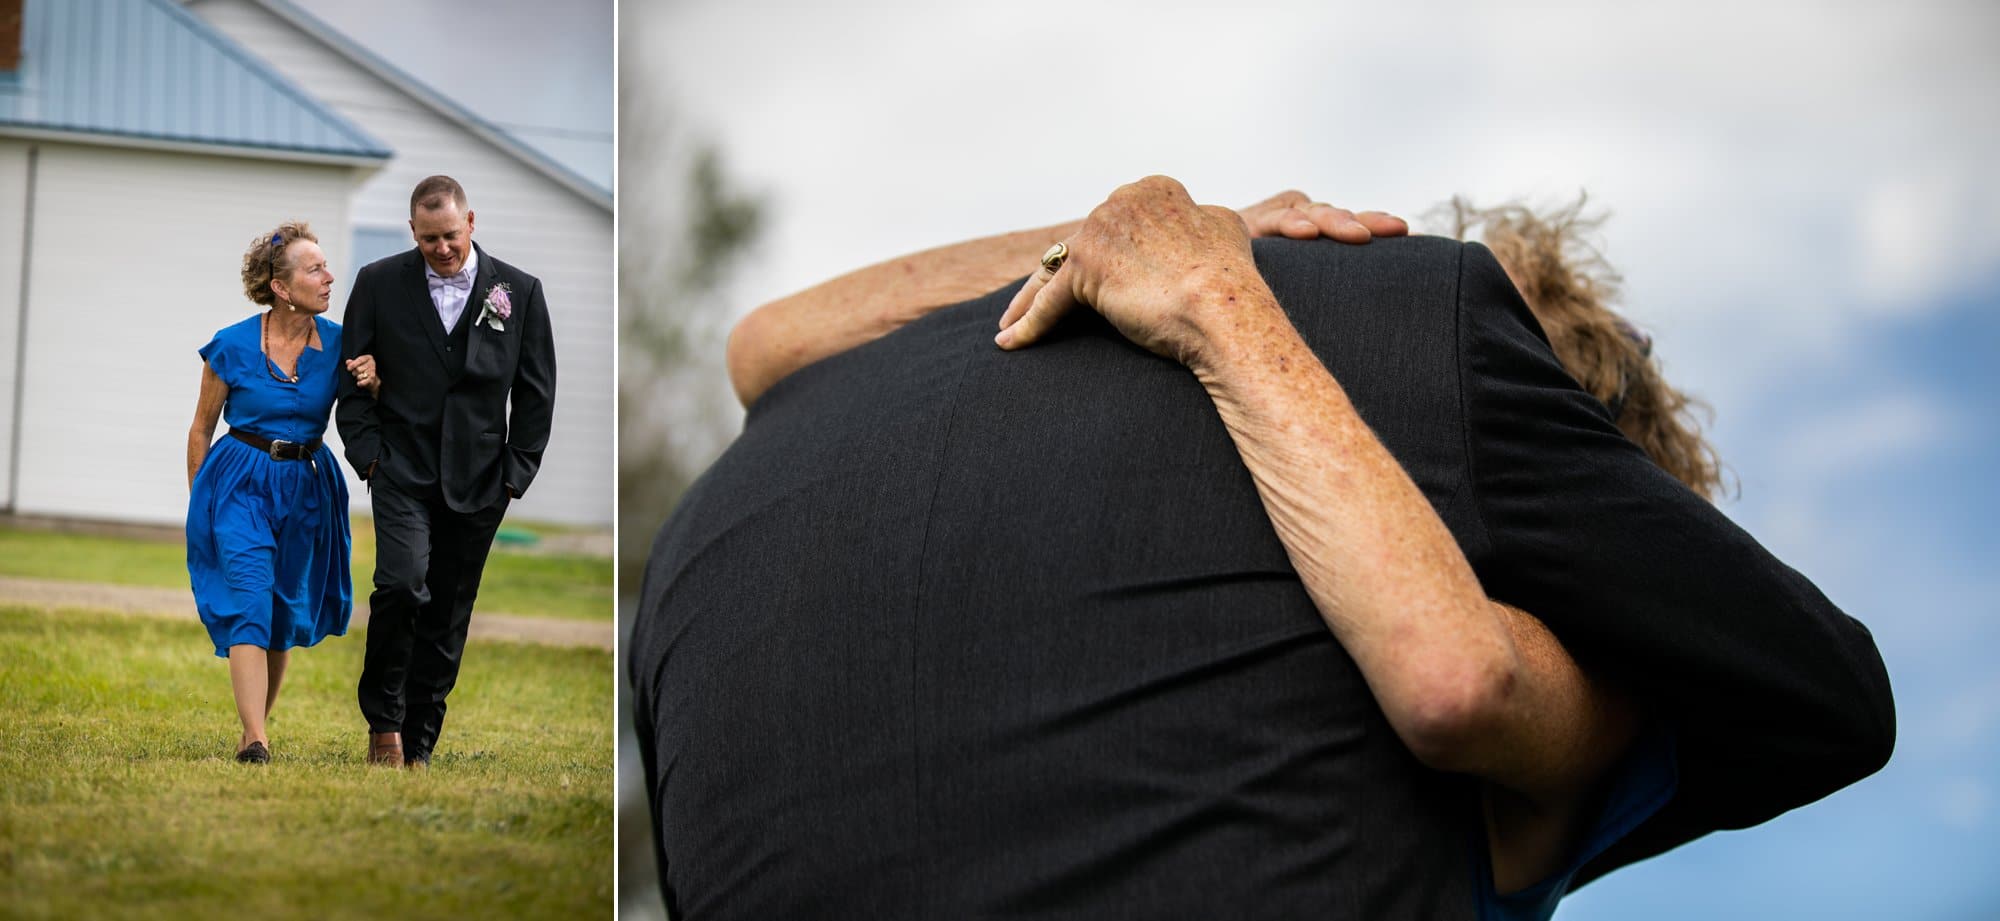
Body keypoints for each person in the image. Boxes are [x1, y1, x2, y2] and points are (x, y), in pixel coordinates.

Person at [631, 178, 1892, 918]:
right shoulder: (1424, 356)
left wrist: (1172, 251)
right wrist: (1196, 277)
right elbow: (1458, 681)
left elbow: (764, 343)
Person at [336, 175, 557, 769]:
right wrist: (370, 457)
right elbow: (350, 381)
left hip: (482, 481)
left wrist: (515, 476)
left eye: (451, 235)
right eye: (429, 237)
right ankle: (384, 723)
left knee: (448, 616)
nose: (442, 248)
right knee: (402, 585)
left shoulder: (520, 292)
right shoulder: (378, 284)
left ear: (472, 224)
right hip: (400, 470)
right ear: (413, 231)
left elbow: (536, 397)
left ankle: (420, 743)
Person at [186, 222, 367, 765]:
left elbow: (372, 400)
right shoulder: (232, 345)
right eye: (315, 269)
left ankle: (253, 729)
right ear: (282, 287)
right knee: (250, 599)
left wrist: (374, 378)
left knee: (282, 612)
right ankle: (258, 742)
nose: (330, 277)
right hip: (240, 479)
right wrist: (201, 501)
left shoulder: (340, 346)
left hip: (307, 487)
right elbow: (201, 427)